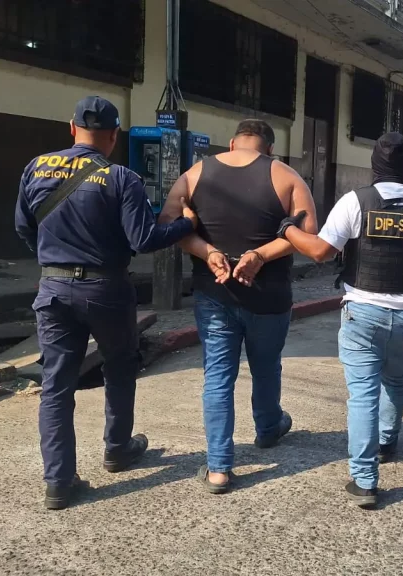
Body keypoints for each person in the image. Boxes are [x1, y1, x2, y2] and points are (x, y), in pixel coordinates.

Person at [14, 96, 198, 510]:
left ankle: (58, 482)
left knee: (56, 385)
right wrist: (188, 224)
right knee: (119, 367)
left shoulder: (36, 167)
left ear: (71, 128)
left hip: (54, 289)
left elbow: (24, 228)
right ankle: (117, 448)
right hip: (106, 290)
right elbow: (144, 240)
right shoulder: (122, 178)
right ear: (114, 136)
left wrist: (55, 258)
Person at [278, 132, 403, 508]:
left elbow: (320, 251)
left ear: (374, 166)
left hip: (363, 314)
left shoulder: (356, 202)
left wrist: (288, 229)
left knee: (364, 394)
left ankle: (365, 479)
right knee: (397, 379)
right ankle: (388, 440)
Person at [159, 120, 317, 494]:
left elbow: (169, 224)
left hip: (215, 294)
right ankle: (267, 429)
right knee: (266, 367)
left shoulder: (194, 173)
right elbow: (311, 238)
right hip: (270, 296)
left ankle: (218, 468)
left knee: (218, 376)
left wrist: (208, 251)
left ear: (231, 144)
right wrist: (260, 255)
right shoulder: (286, 175)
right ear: (270, 148)